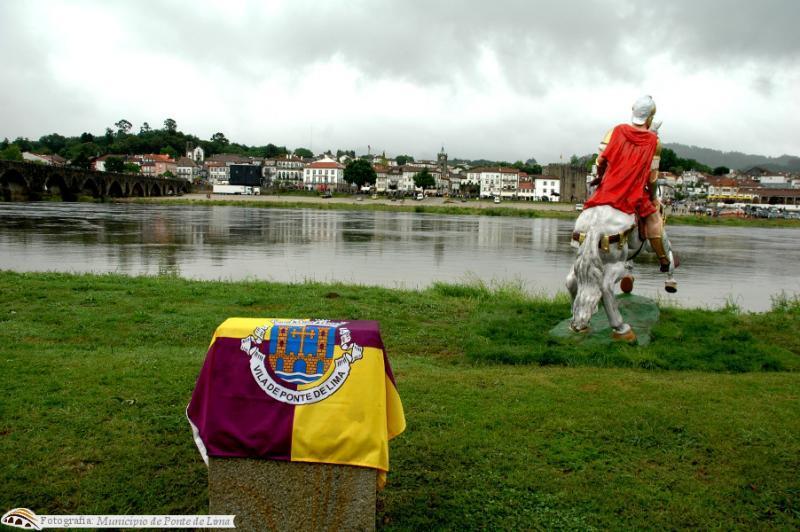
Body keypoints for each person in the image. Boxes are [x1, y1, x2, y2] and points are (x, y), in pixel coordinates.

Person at [584, 95, 676, 292]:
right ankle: (663, 261)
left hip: (607, 190)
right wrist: (653, 198)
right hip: (633, 193)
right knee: (654, 220)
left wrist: (600, 179)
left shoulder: (616, 130)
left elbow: (601, 161)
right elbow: (652, 178)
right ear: (650, 117)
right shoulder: (653, 141)